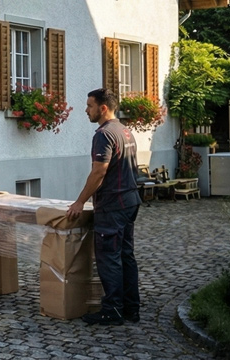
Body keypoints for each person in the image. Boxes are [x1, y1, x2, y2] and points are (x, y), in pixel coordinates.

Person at [68, 88, 140, 325]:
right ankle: (131, 308)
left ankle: (112, 311)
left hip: (112, 204)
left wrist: (80, 201)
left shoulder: (104, 134)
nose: (86, 110)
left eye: (89, 106)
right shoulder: (125, 131)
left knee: (109, 258)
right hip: (130, 201)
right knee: (126, 256)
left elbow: (100, 171)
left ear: (103, 108)